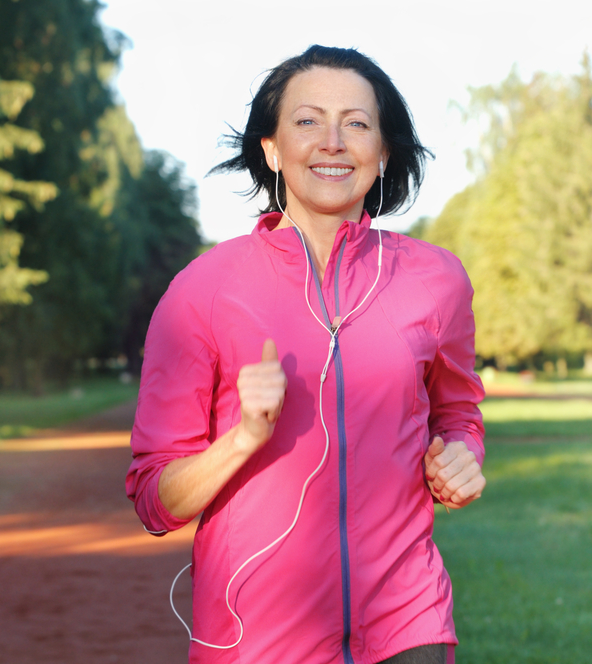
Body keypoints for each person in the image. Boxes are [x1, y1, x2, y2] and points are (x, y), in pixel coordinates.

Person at [126, 45, 486, 664]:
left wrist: (460, 459)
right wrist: (242, 439)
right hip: (255, 639)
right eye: (307, 120)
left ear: (383, 153)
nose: (333, 141)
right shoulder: (202, 293)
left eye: (356, 123)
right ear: (271, 149)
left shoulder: (437, 281)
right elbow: (155, 499)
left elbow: (457, 417)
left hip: (410, 625)